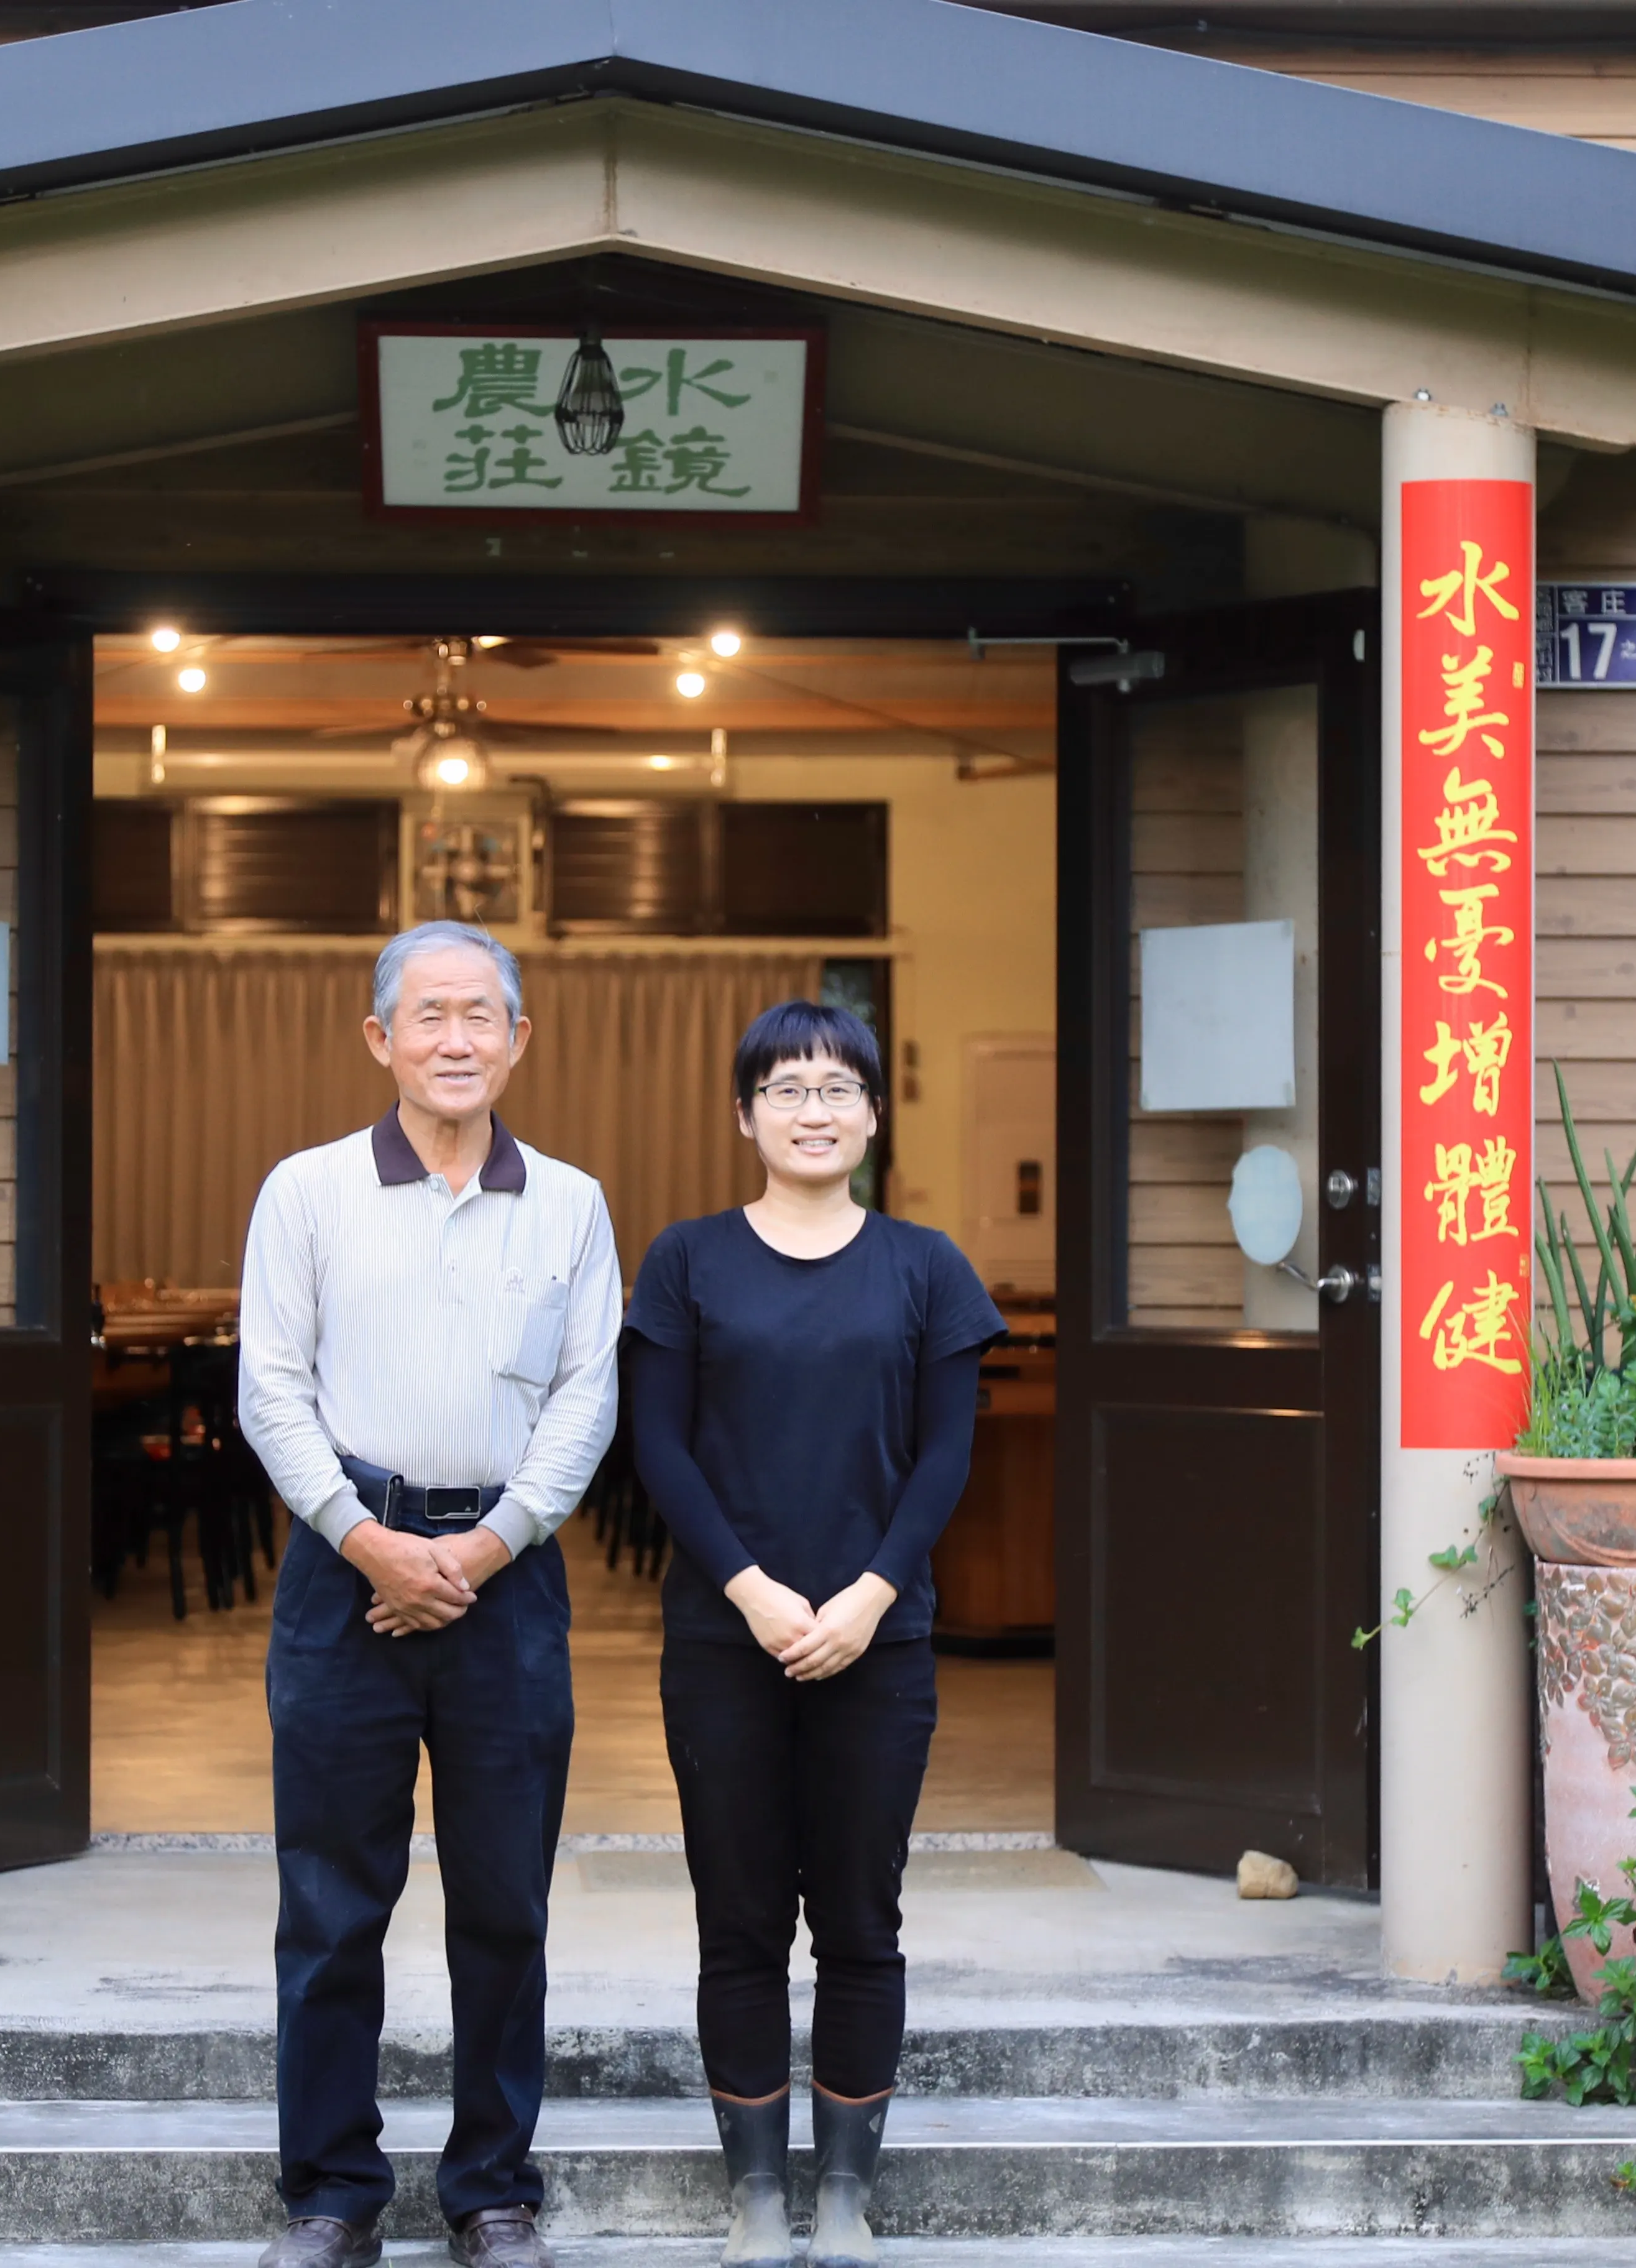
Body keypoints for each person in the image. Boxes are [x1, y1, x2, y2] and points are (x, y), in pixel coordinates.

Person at [236, 920, 620, 2268]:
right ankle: (333, 2193)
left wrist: (482, 1550)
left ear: (519, 1038)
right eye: (429, 1015)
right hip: (345, 1578)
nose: (455, 1039)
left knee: (504, 1900)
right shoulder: (309, 1191)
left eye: (481, 1015)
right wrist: (369, 1544)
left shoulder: (569, 1203)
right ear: (380, 1038)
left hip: (504, 1583)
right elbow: (272, 1389)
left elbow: (587, 1399)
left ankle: (492, 2188)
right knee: (332, 1902)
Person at [623, 1000, 1006, 2268]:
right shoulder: (688, 1262)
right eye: (785, 1089)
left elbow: (948, 1454)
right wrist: (748, 1587)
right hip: (724, 1639)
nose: (812, 1109)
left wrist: (870, 1596)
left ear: (874, 1115)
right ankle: (755, 2196)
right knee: (738, 1916)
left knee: (857, 1915)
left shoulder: (927, 1268)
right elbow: (660, 1446)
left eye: (837, 1088)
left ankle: (845, 2189)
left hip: (876, 1645)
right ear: (744, 1116)